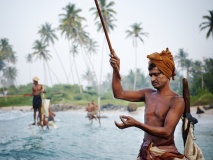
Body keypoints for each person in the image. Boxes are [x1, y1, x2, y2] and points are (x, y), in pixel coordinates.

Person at [110, 48, 187, 159]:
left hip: (165, 153)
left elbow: (167, 132)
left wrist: (137, 124)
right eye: (151, 75)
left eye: (156, 74)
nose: (153, 79)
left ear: (167, 73)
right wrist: (115, 69)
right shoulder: (148, 94)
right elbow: (119, 93)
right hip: (145, 152)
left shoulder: (176, 101)